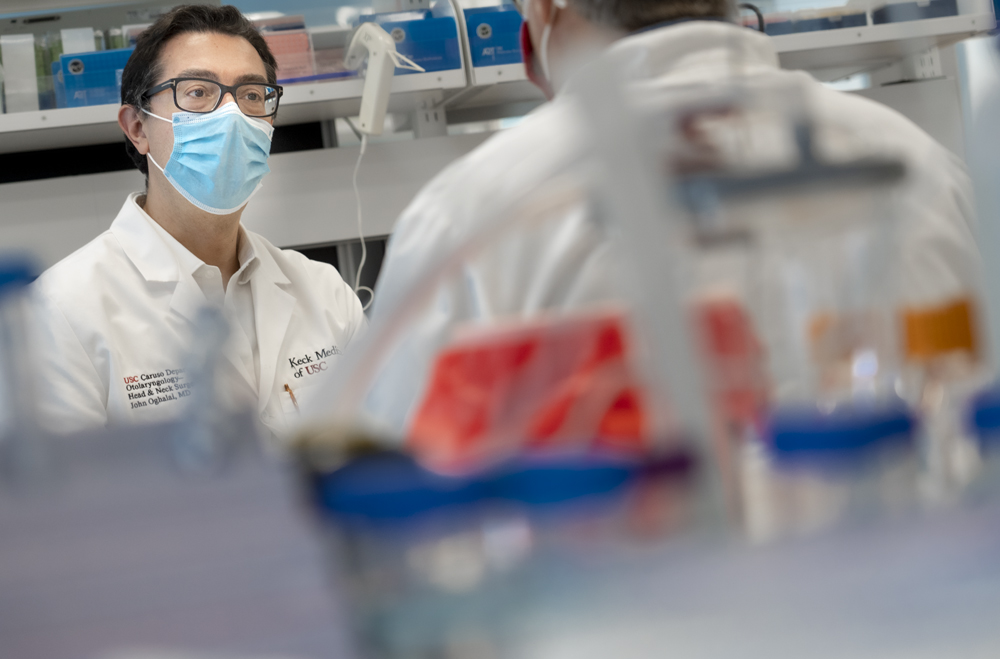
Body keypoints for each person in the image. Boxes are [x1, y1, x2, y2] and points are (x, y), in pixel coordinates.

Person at [359, 0, 982, 435]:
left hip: (622, 616)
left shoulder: (469, 215)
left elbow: (402, 500)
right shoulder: (919, 165)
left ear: (544, 8)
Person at [31, 5, 365, 439]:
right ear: (137, 127)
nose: (232, 116)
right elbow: (63, 501)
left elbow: (378, 450)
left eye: (251, 95)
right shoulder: (59, 313)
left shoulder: (326, 294)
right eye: (197, 91)